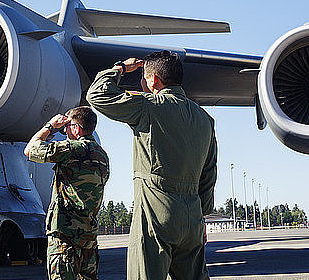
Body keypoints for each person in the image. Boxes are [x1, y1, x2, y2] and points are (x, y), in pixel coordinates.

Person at [86, 51, 217, 280]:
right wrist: (202, 216)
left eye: (144, 77)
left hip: (155, 213)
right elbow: (208, 172)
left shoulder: (148, 105)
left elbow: (97, 95)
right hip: (192, 218)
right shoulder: (204, 118)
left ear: (153, 80)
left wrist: (120, 68)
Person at [24, 106, 110, 280]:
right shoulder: (102, 155)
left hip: (65, 235)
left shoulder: (71, 149)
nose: (64, 130)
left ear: (76, 128)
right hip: (88, 237)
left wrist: (50, 126)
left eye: (67, 126)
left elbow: (30, 150)